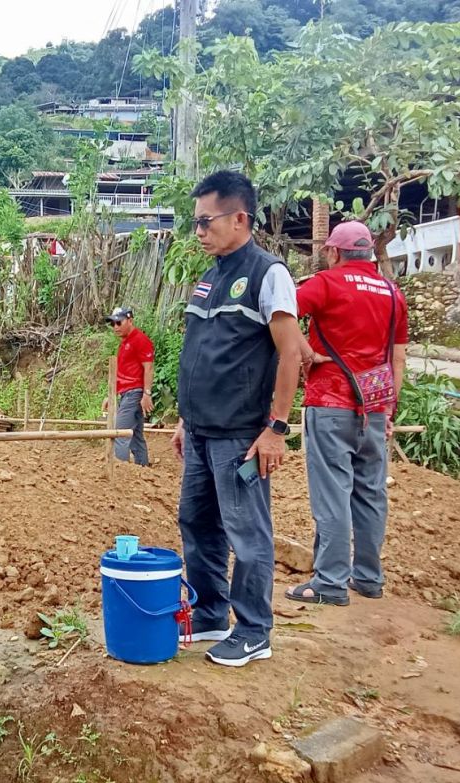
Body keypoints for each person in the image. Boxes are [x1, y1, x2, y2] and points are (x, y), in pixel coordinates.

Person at [173, 171, 302, 668]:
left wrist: (277, 429)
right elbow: (201, 352)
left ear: (240, 218)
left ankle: (253, 631)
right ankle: (211, 613)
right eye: (196, 222)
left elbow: (290, 354)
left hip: (239, 437)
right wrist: (184, 419)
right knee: (197, 522)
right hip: (200, 430)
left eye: (206, 221)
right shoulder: (212, 276)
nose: (199, 231)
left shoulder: (268, 273)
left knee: (247, 533)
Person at [288, 220, 408, 606]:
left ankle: (330, 582)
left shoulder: (325, 284)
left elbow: (280, 314)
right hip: (374, 406)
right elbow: (398, 358)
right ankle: (369, 578)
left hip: (330, 402)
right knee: (371, 493)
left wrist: (305, 352)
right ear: (369, 253)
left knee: (332, 494)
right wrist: (388, 409)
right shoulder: (392, 293)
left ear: (334, 252)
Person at [102, 306, 155, 466]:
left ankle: (120, 470)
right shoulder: (126, 342)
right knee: (136, 435)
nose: (115, 327)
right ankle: (143, 467)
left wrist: (147, 393)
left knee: (119, 433)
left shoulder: (140, 340)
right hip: (128, 393)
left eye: (119, 322)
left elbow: (149, 367)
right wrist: (112, 394)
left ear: (130, 320)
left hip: (133, 393)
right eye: (113, 323)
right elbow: (123, 373)